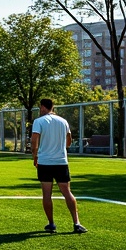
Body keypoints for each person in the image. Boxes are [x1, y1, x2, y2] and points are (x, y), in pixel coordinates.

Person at [31, 99, 87, 234]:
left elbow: (34, 141)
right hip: (61, 161)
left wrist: (35, 156)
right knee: (67, 192)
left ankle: (51, 224)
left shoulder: (39, 121)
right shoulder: (63, 121)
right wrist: (61, 148)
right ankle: (77, 223)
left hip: (45, 162)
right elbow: (69, 140)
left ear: (43, 107)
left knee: (46, 194)